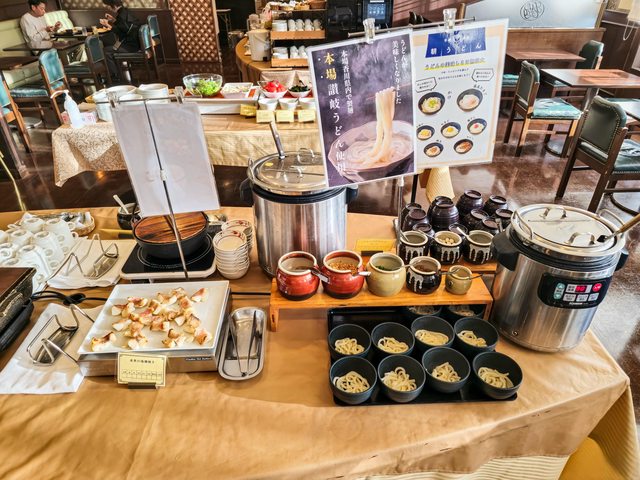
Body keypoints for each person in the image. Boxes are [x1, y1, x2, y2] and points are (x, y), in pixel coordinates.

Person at [100, 0, 142, 84]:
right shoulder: (126, 12)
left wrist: (108, 25)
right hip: (135, 43)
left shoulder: (121, 15)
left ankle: (115, 77)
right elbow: (125, 27)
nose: (108, 8)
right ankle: (117, 74)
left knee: (106, 51)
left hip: (130, 46)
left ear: (114, 6)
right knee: (111, 47)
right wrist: (113, 20)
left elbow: (123, 32)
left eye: (109, 6)